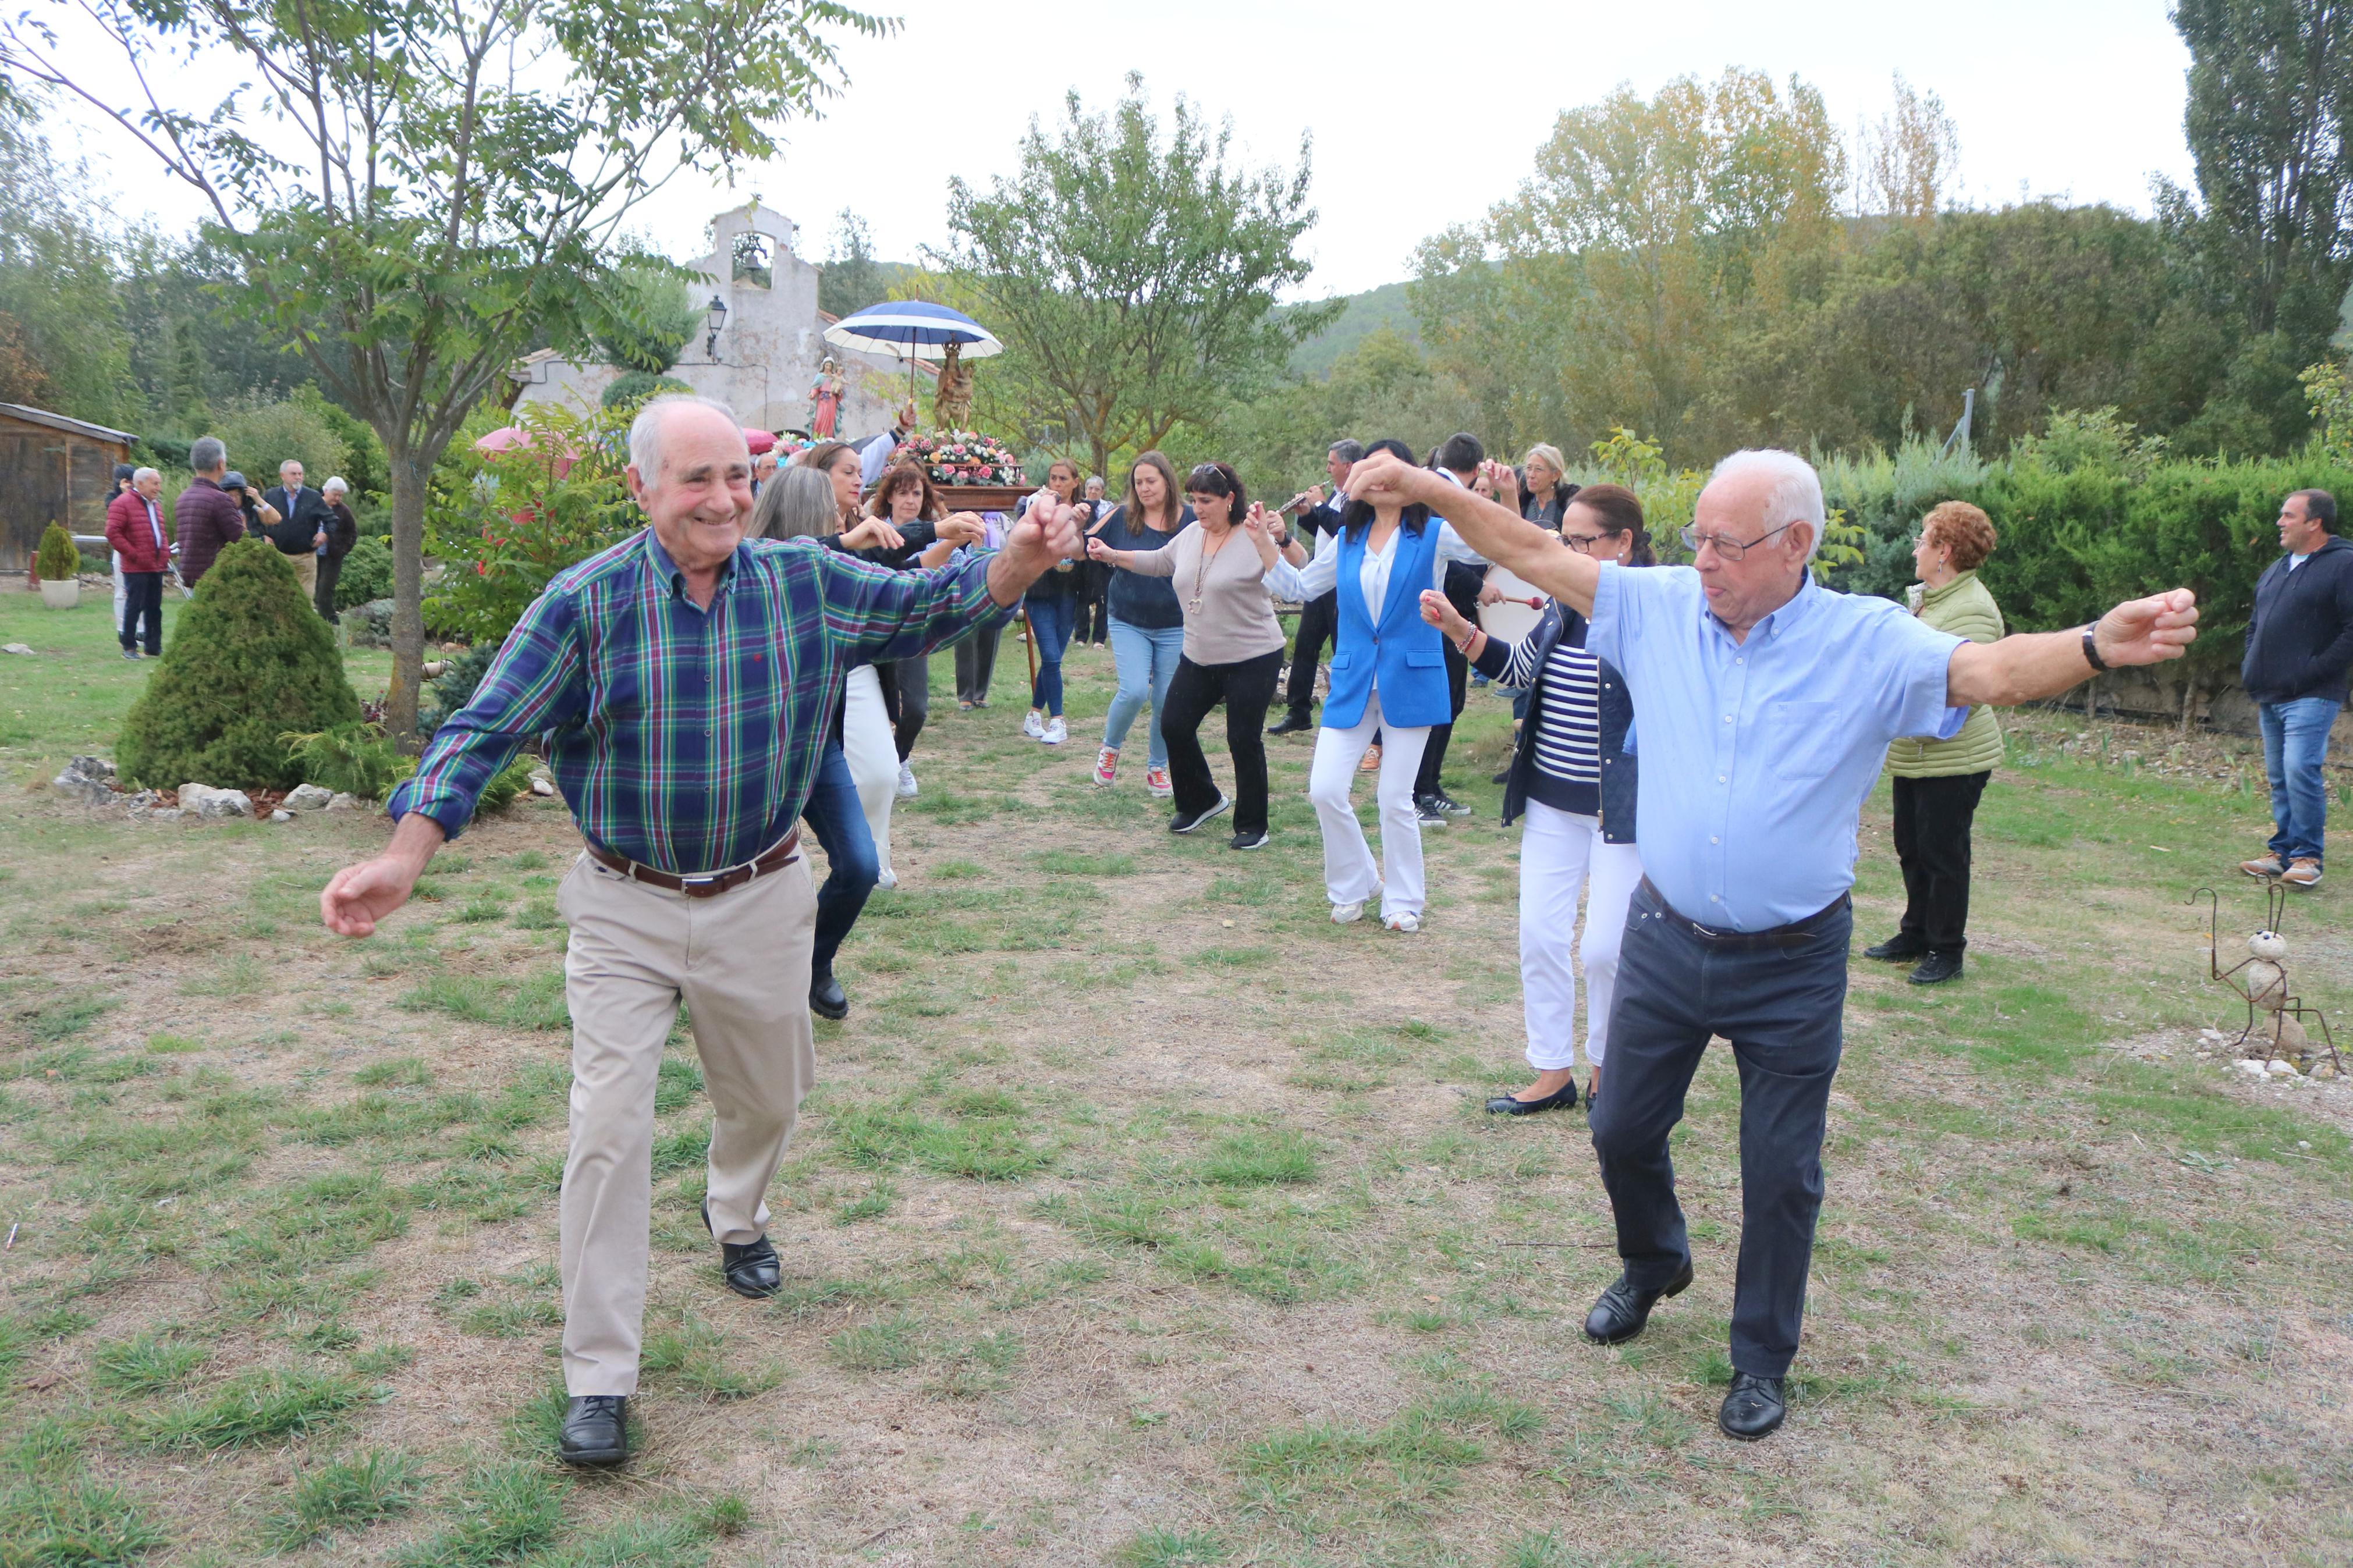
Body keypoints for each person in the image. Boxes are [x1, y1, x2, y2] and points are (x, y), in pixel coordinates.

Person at [1353, 441, 2196, 1441]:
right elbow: (1531, 550)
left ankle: (1759, 1358)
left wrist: (2098, 642)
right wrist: (1425, 488)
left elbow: (1992, 672)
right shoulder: (1657, 606)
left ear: (1794, 545)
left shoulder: (1869, 641)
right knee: (1618, 1125)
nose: (1701, 559)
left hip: (1791, 962)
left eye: (1725, 543)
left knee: (1779, 1170)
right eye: (1696, 537)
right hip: (1665, 934)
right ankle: (1654, 1259)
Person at [321, 395, 1081, 1470]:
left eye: (736, 475)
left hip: (763, 894)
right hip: (624, 905)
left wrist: (1018, 563)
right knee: (608, 1130)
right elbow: (481, 730)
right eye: (695, 479)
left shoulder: (803, 581)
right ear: (641, 490)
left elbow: (929, 610)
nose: (723, 498)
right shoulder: (584, 603)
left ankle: (737, 1212)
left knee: (769, 1096)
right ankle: (598, 1374)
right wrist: (405, 855)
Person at [1418, 484, 1653, 1114]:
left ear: (1623, 544)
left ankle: (1608, 1069)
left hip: (1621, 811)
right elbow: (1520, 670)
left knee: (1605, 948)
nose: (1566, 551)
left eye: (1581, 541)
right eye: (1563, 540)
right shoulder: (1558, 607)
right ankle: (1552, 1072)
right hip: (1551, 800)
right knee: (1539, 936)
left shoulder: (1652, 614)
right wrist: (1460, 628)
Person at [1265, 438, 1488, 932]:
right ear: (1361, 481)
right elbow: (1298, 588)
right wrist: (1267, 543)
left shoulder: (1435, 533)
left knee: (1394, 797)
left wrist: (1478, 497)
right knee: (1324, 789)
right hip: (1352, 679)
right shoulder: (1345, 538)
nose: (1384, 479)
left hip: (1412, 678)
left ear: (1413, 479)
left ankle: (1404, 900)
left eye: (1395, 470)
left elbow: (1486, 543)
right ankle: (1357, 883)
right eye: (1375, 470)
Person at [1089, 462, 1287, 847]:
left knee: (1242, 738)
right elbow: (1159, 561)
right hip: (1199, 654)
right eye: (1194, 500)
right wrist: (1112, 554)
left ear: (1230, 500)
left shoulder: (1253, 537)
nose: (1198, 508)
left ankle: (1252, 825)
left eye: (1207, 501)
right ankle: (1200, 800)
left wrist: (1278, 538)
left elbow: (1294, 577)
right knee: (1174, 724)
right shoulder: (1190, 535)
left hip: (1253, 655)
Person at [754, 465, 883, 1018]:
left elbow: (897, 577)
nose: (841, 519)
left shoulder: (838, 573)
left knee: (859, 864)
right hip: (753, 754)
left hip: (818, 748)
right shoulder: (747, 573)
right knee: (752, 881)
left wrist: (945, 540)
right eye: (830, 512)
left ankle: (814, 962)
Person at [1867, 502, 2006, 984]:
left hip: (1953, 757)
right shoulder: (1928, 599)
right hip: (1913, 751)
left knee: (1943, 854)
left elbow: (1955, 692)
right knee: (1910, 846)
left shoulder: (1972, 610)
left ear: (1943, 551)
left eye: (1923, 540)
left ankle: (1946, 949)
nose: (1915, 548)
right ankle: (1915, 934)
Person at [2238, 489, 2351, 890]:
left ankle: (2307, 857)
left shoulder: (2343, 564)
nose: (2279, 522)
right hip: (2269, 692)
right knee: (2279, 776)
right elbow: (2256, 623)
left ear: (2314, 522)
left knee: (2299, 768)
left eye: (2288, 515)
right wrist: (2251, 665)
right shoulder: (2276, 568)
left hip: (2312, 693)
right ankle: (2281, 853)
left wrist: (2311, 671)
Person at [1090, 451, 1191, 797]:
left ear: (1167, 480)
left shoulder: (1192, 519)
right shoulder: (1121, 516)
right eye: (1138, 483)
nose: (1144, 488)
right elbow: (1087, 544)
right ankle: (1110, 749)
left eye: (1151, 481)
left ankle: (1157, 767)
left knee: (1166, 698)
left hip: (1175, 623)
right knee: (1134, 691)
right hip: (1128, 618)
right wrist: (1089, 542)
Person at [1412, 433, 1487, 825]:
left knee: (1449, 701)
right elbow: (1447, 556)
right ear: (1476, 469)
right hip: (1436, 613)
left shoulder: (1429, 486)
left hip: (1442, 612)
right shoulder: (1439, 493)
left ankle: (1428, 784)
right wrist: (1478, 586)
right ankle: (1419, 789)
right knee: (1439, 703)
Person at [1269, 439, 1360, 736]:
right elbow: (1325, 531)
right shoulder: (1336, 496)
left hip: (1341, 584)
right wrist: (1308, 513)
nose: (1327, 469)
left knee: (1340, 647)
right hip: (1320, 582)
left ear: (1348, 466)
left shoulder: (1358, 497)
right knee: (1306, 646)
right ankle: (1299, 711)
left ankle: (1349, 712)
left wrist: (1318, 504)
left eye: (1332, 463)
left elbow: (1344, 530)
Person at [1017, 460, 1087, 742]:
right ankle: (1058, 721)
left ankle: (1034, 714)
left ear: (1075, 482)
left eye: (1063, 479)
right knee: (1051, 657)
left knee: (1053, 660)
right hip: (1039, 591)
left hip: (1070, 592)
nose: (1057, 483)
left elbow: (1087, 548)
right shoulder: (1036, 506)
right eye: (1053, 478)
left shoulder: (1083, 512)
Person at [105, 467, 169, 659]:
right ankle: (129, 647)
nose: (158, 488)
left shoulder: (156, 505)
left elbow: (161, 532)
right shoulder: (122, 503)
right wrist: (133, 554)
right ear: (140, 484)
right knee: (134, 605)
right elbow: (112, 533)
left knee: (154, 607)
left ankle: (153, 646)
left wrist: (164, 552)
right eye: (155, 483)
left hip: (155, 565)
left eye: (159, 484)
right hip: (136, 566)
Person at [173, 438, 246, 589]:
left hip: (191, 576)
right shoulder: (219, 499)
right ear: (221, 464)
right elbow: (242, 541)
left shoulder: (183, 497)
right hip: (216, 579)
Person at [262, 458, 329, 606]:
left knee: (305, 604)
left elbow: (332, 519)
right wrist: (265, 536)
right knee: (279, 601)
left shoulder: (313, 497)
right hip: (279, 557)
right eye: (294, 474)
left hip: (306, 559)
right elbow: (258, 520)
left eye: (300, 474)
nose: (298, 477)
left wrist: (324, 534)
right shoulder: (270, 496)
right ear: (282, 476)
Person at [1076, 475, 1113, 645]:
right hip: (1082, 557)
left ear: (1102, 492)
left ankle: (1099, 639)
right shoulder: (1079, 506)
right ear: (1085, 490)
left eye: (1097, 489)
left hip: (1102, 557)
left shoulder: (1109, 508)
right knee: (1082, 598)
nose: (1093, 492)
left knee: (1103, 599)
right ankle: (1081, 637)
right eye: (1090, 488)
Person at [316, 477, 359, 621]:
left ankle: (331, 619)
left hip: (333, 556)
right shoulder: (313, 505)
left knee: (325, 589)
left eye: (340, 495)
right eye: (335, 494)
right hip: (310, 554)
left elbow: (352, 533)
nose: (338, 498)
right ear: (326, 491)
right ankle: (318, 620)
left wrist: (343, 550)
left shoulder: (343, 511)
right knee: (312, 588)